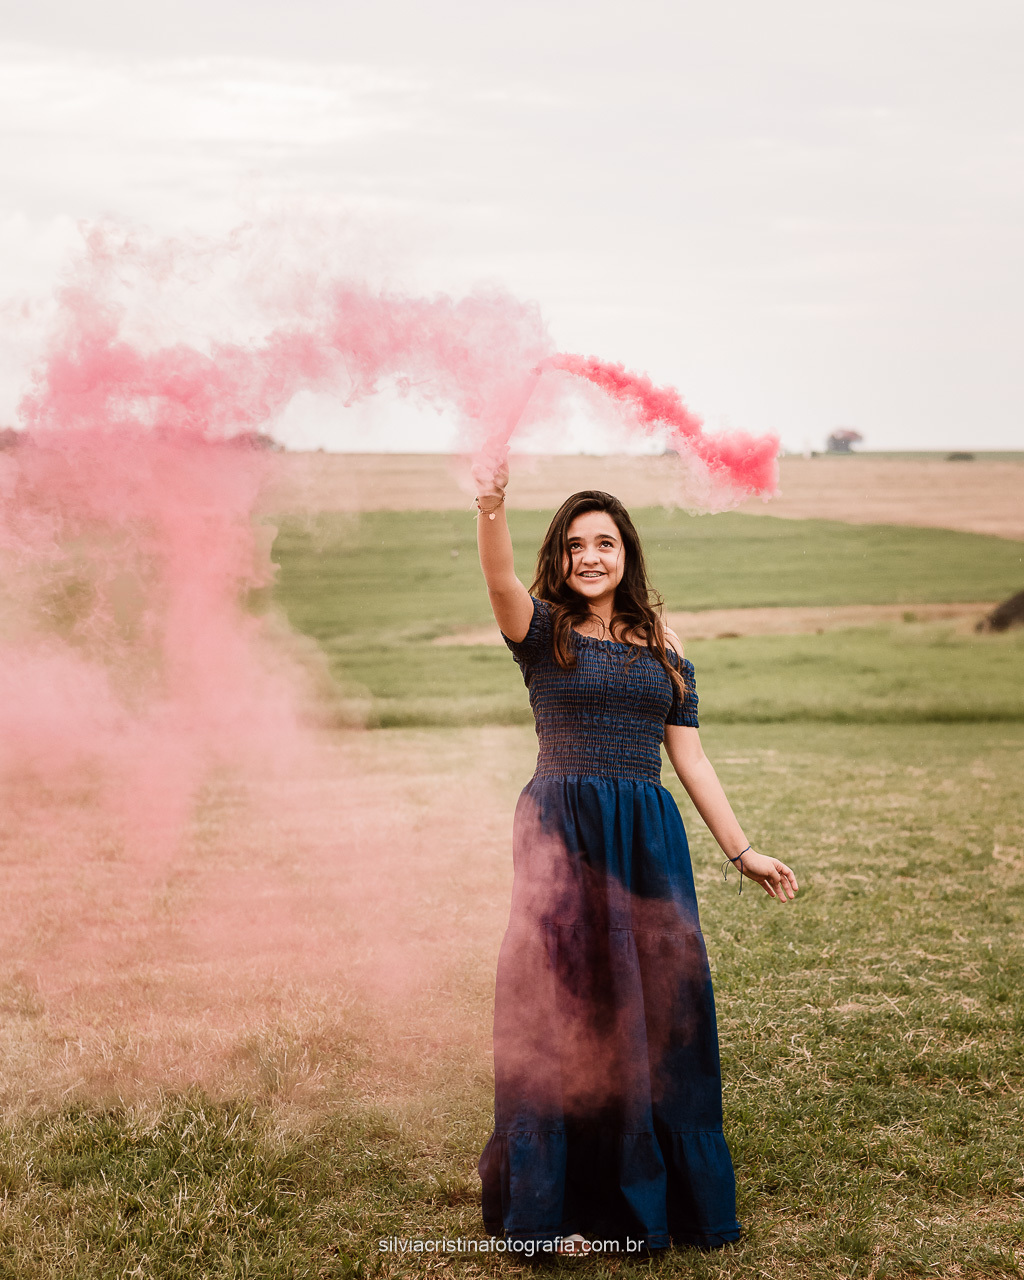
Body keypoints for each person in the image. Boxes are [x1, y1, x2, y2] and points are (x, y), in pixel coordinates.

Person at [473, 466, 799, 1256]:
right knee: (561, 1007)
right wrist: (491, 505)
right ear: (561, 555)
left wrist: (741, 848)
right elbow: (497, 574)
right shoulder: (539, 627)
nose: (591, 556)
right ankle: (552, 1208)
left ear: (627, 554)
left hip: (647, 837)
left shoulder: (663, 642)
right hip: (561, 831)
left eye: (606, 542)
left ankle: (656, 1200)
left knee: (657, 1008)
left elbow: (690, 758)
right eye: (577, 544)